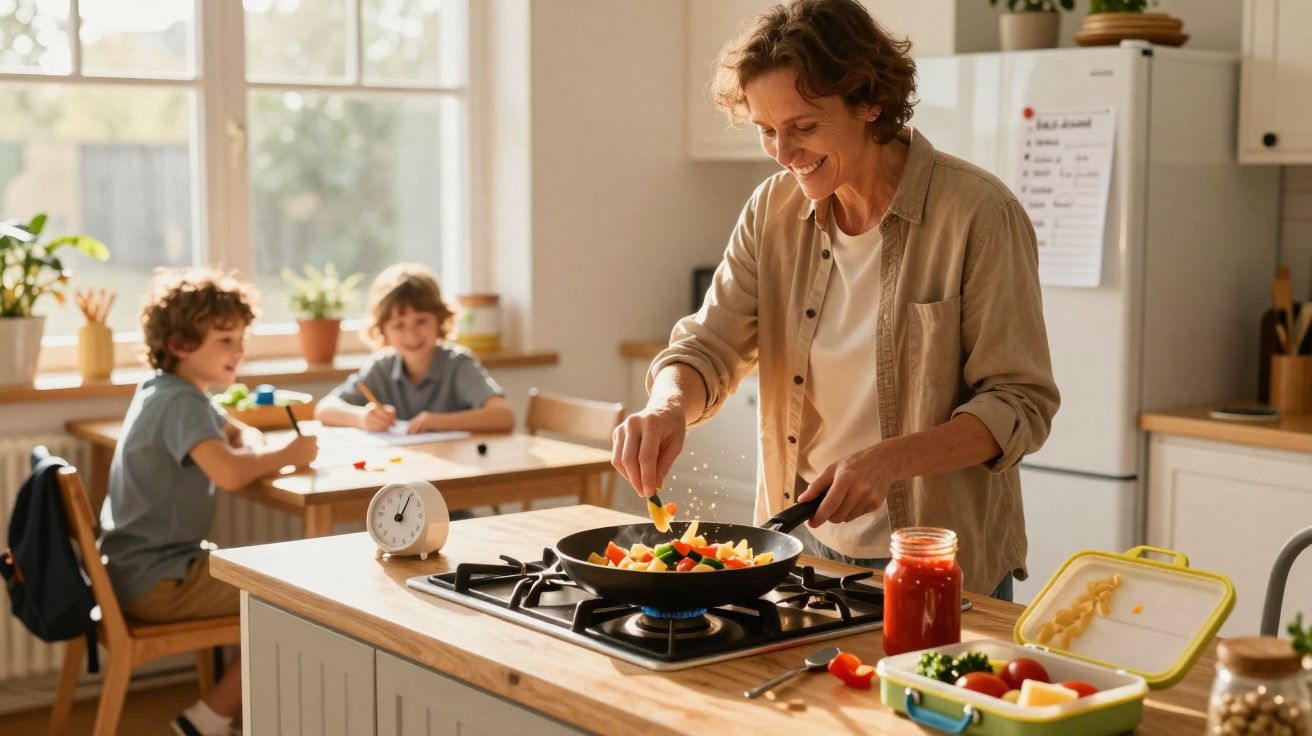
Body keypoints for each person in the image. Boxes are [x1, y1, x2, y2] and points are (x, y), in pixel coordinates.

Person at [611, 0, 1059, 599]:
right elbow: (707, 345)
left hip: (933, 557)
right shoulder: (772, 211)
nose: (782, 152)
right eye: (767, 131)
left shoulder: (979, 214)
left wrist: (889, 460)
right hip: (801, 550)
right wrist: (668, 405)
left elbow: (1019, 404)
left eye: (804, 126)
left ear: (869, 101)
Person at [99, 268, 318, 736]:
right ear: (180, 344)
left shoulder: (165, 390)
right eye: (224, 340)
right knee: (291, 598)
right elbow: (230, 473)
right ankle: (208, 719)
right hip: (160, 581)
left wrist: (251, 438)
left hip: (133, 569)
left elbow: (233, 429)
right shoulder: (182, 404)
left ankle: (225, 714)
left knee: (280, 585)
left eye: (241, 338)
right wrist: (288, 454)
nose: (238, 351)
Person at [315, 263, 514, 435]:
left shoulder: (457, 364)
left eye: (421, 321)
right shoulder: (381, 367)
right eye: (399, 326)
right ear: (383, 331)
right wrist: (362, 418)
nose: (412, 335)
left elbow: (503, 416)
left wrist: (437, 422)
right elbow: (324, 409)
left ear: (440, 320)